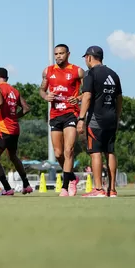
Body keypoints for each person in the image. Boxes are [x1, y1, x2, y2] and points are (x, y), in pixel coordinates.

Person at [77, 46, 122, 198]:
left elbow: (87, 96)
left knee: (95, 152)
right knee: (110, 151)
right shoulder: (113, 74)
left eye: (85, 58)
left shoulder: (91, 74)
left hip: (96, 119)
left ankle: (98, 189)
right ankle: (112, 189)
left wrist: (81, 119)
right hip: (112, 118)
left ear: (89, 57)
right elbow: (119, 99)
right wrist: (117, 117)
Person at [39, 44, 84, 197]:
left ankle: (65, 187)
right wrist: (46, 96)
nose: (58, 56)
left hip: (71, 114)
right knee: (58, 154)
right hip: (55, 115)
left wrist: (78, 98)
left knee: (68, 150)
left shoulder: (77, 71)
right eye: (56, 54)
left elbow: (88, 93)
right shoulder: (48, 71)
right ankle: (72, 177)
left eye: (61, 53)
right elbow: (41, 90)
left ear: (68, 54)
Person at [0, 68, 34, 196]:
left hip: (3, 129)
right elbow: (26, 108)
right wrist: (15, 117)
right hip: (15, 129)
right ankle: (26, 185)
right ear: (7, 78)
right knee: (13, 156)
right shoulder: (14, 91)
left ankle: (7, 188)